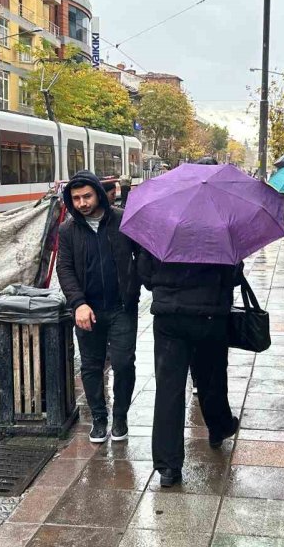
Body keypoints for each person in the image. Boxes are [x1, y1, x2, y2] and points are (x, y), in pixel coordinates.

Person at [137, 250, 241, 488]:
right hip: (210, 315)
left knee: (168, 389)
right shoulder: (220, 230)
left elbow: (144, 275)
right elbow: (234, 276)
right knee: (211, 377)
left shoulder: (160, 228)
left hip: (169, 316)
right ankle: (219, 427)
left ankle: (168, 465)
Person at [57, 170, 140, 444]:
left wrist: (136, 284)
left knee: (123, 363)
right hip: (87, 310)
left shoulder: (123, 220)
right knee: (91, 366)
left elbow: (142, 256)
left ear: (98, 193)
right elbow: (65, 268)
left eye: (87, 196)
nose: (82, 203)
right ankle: (99, 418)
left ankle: (120, 416)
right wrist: (78, 303)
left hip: (121, 307)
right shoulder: (68, 230)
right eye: (76, 198)